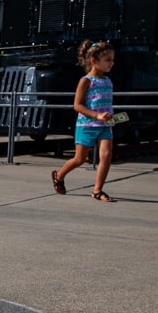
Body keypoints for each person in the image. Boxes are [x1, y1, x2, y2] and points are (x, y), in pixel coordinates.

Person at [51, 41, 117, 201]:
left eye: (112, 60)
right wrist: (96, 115)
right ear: (94, 61)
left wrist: (110, 118)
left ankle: (97, 190)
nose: (112, 63)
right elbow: (77, 105)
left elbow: (106, 104)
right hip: (87, 126)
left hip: (104, 126)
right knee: (79, 159)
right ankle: (59, 175)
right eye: (107, 60)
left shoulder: (108, 81)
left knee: (106, 155)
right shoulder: (86, 81)